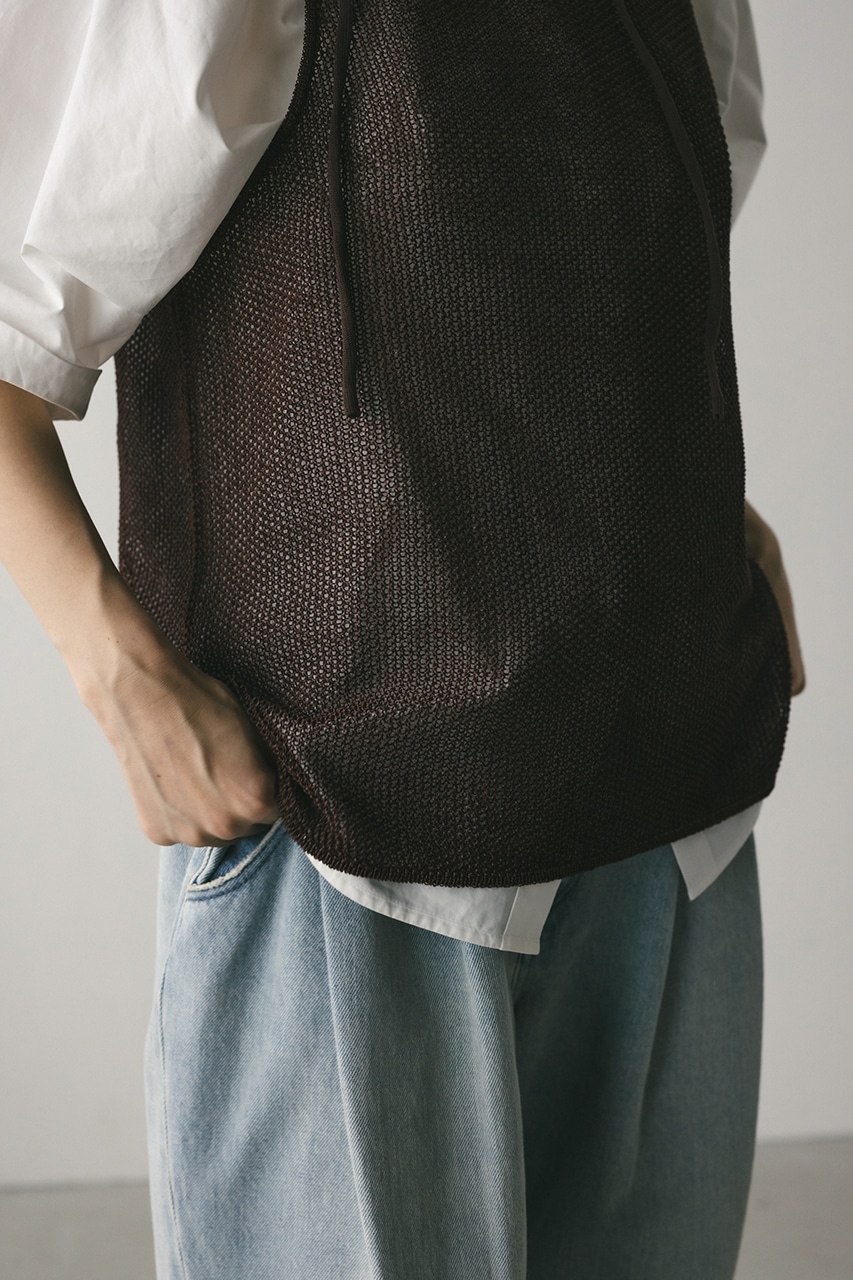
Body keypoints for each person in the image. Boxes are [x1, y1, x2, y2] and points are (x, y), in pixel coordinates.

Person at [0, 0, 805, 1276]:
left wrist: (705, 506)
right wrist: (116, 669)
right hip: (355, 825)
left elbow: (646, 216)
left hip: (670, 796)